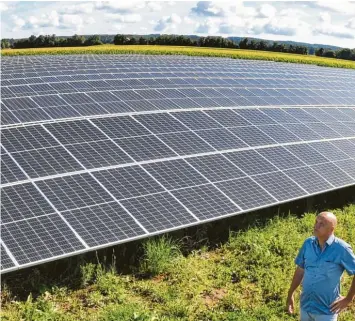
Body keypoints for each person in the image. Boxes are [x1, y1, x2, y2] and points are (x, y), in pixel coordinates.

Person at [286, 211, 355, 321]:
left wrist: (348, 299)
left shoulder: (342, 249)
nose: (316, 226)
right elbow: (300, 270)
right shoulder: (308, 243)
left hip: (326, 311)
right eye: (316, 222)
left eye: (321, 224)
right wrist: (290, 293)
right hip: (306, 307)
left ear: (331, 229)